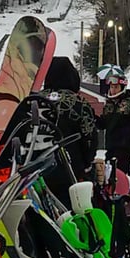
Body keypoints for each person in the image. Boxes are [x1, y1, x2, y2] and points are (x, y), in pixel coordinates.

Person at [37, 57, 98, 204]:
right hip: (70, 169)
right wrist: (87, 164)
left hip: (37, 170)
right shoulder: (78, 104)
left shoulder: (35, 101)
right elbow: (89, 137)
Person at [97, 72, 130, 177]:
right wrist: (93, 118)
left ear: (122, 87)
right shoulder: (109, 104)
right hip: (111, 146)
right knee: (108, 174)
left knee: (119, 173)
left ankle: (120, 190)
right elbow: (103, 123)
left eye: (116, 87)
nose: (113, 90)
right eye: (111, 87)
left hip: (124, 146)